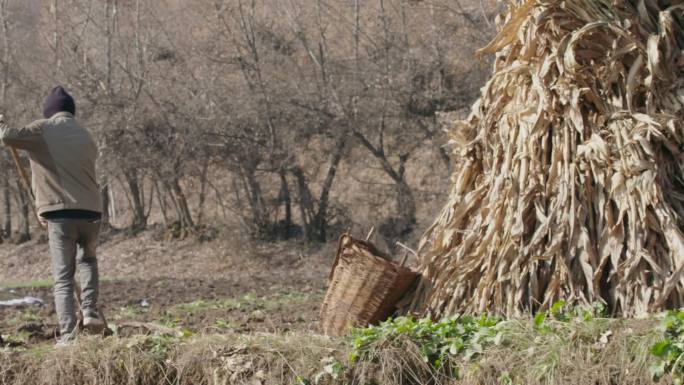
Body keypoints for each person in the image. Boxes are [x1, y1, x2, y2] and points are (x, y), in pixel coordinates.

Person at [0, 86, 104, 344]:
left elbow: (7, 137)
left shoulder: (44, 128)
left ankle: (68, 336)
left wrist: (2, 124)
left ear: (50, 111)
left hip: (60, 214)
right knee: (88, 261)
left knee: (63, 278)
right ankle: (90, 311)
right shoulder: (86, 134)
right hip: (91, 211)